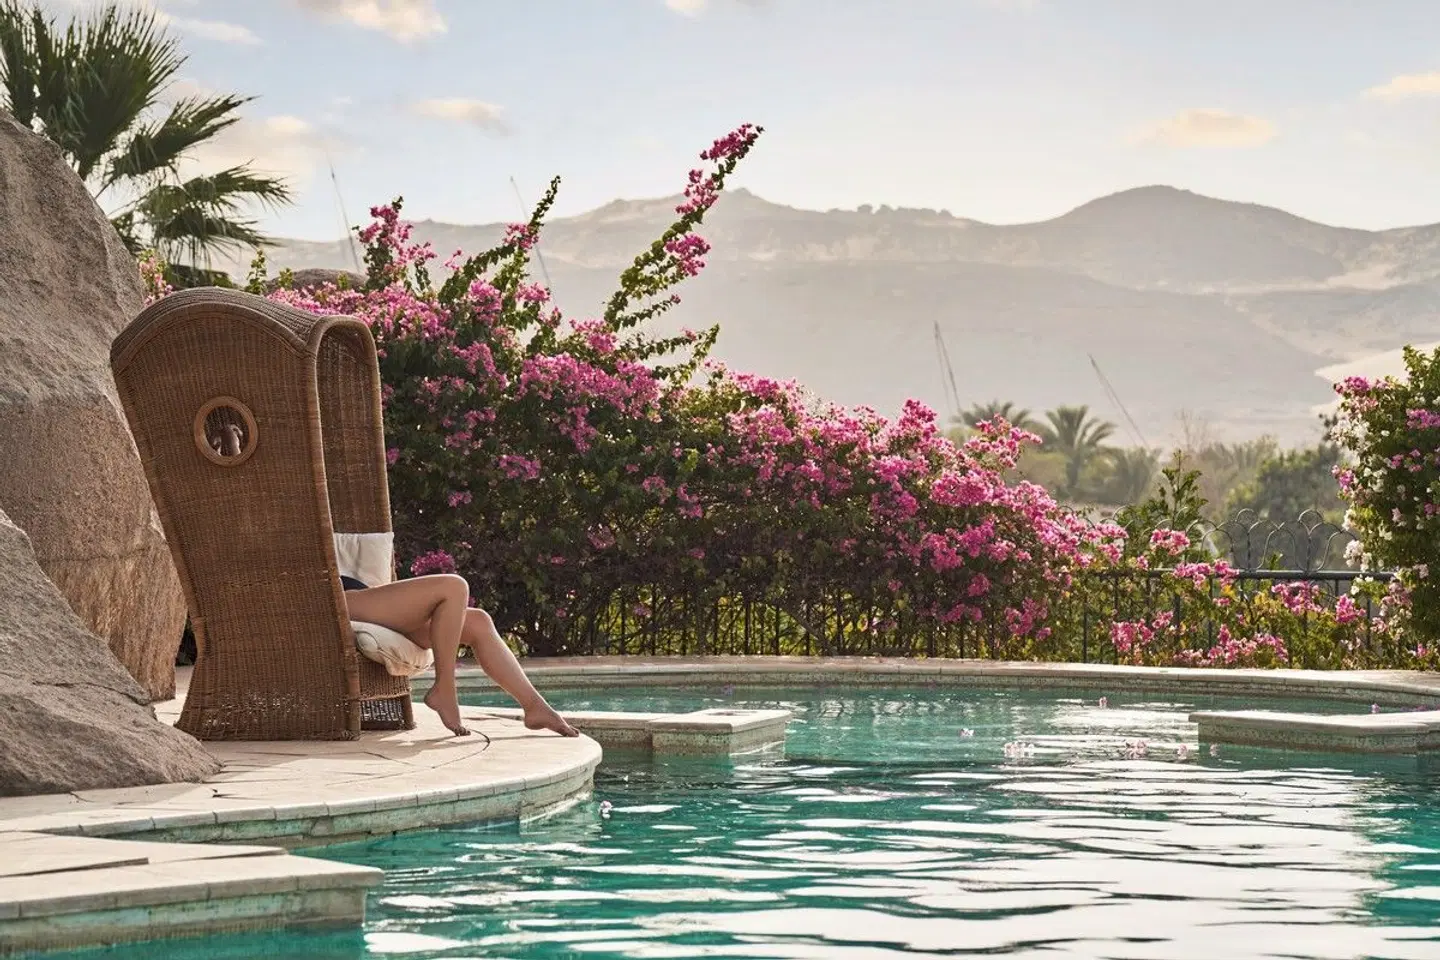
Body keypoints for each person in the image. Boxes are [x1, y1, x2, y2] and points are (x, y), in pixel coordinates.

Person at [339, 573, 578, 739]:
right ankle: (444, 689)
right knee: (454, 587)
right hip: (337, 595)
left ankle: (535, 707)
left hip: (360, 595)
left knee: (479, 622)